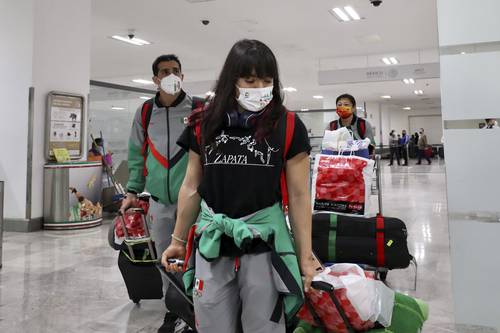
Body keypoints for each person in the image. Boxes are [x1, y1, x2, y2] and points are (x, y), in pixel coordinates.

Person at [162, 39, 316, 333]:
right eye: (250, 79)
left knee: (263, 326)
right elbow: (192, 186)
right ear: (232, 80)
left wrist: (305, 257)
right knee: (210, 323)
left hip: (263, 244)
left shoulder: (288, 126)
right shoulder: (203, 123)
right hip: (212, 243)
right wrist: (178, 240)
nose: (259, 87)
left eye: (267, 80)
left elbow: (298, 195)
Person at [120, 54, 194, 333]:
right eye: (165, 71)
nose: (171, 75)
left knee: (196, 256)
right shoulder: (144, 113)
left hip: (195, 201)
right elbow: (136, 155)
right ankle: (173, 309)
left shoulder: (199, 109)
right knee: (167, 258)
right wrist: (132, 191)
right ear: (155, 79)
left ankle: (196, 310)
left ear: (182, 76)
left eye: (176, 70)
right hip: (160, 203)